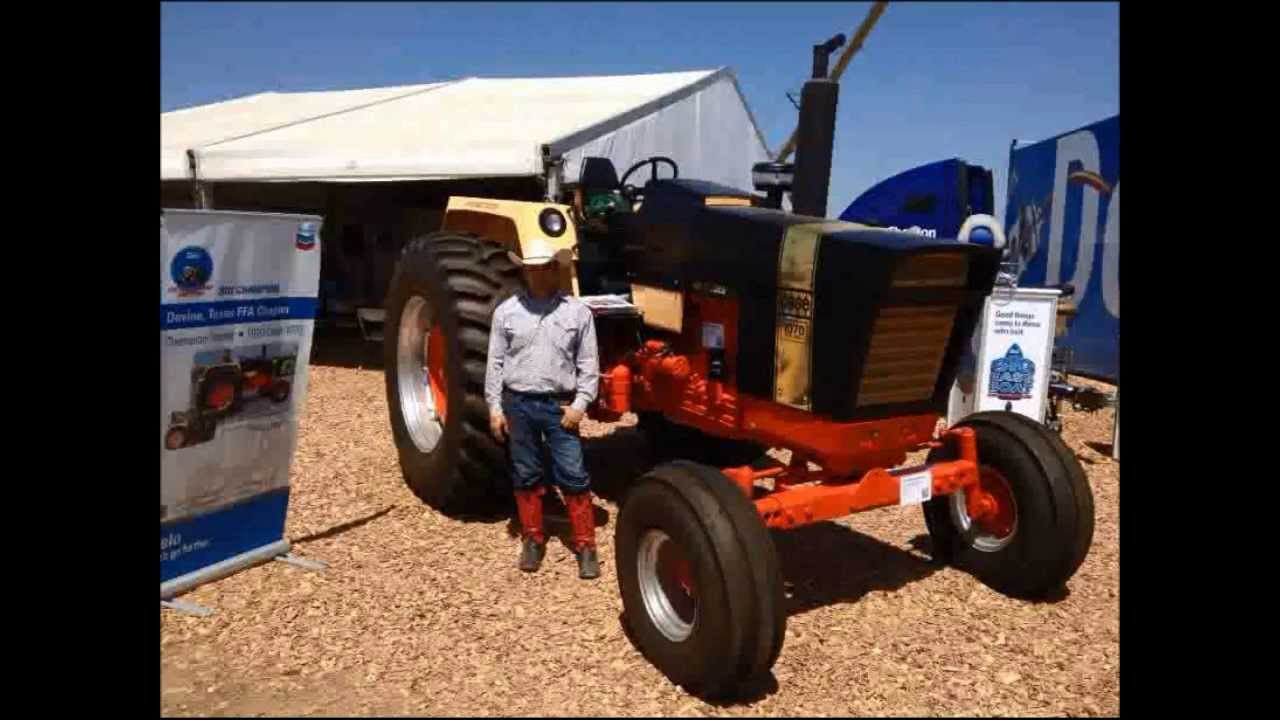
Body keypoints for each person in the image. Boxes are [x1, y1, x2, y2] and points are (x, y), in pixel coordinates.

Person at [484, 248, 601, 579]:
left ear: (554, 269)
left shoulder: (578, 313)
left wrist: (580, 404)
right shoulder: (506, 313)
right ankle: (532, 539)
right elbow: (494, 363)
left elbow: (589, 364)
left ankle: (586, 545)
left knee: (574, 474)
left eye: (543, 268)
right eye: (531, 268)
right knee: (525, 473)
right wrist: (495, 407)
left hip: (559, 405)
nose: (536, 274)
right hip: (517, 402)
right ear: (525, 271)